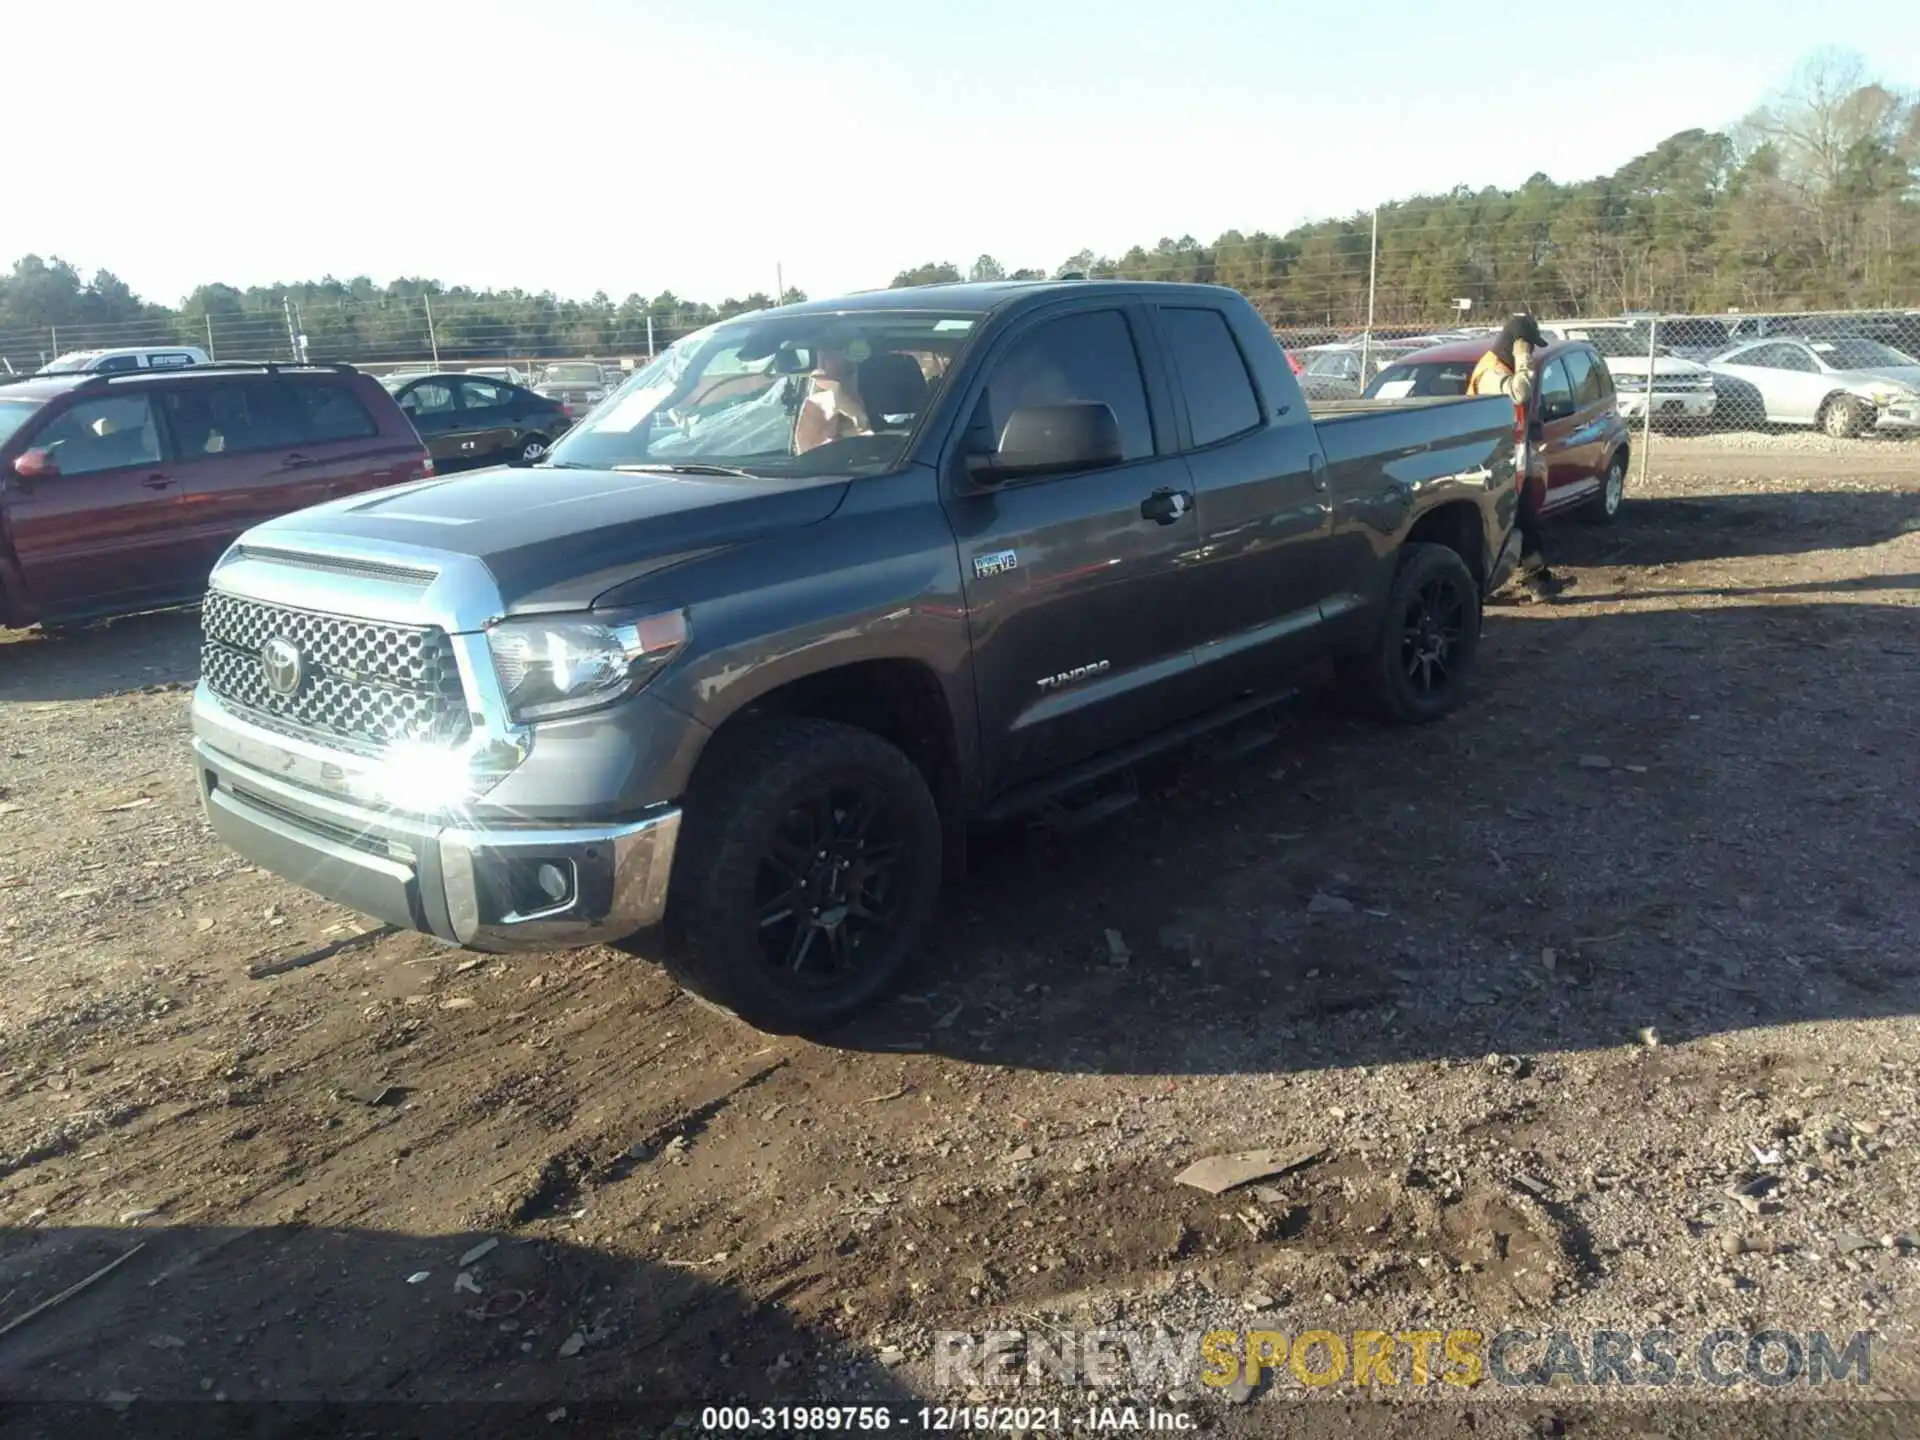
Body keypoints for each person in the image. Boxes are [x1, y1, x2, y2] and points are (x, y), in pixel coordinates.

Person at [1469, 313, 1567, 600]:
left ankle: (1538, 581)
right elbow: (1519, 393)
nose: (1532, 352)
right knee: (1501, 526)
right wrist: (1524, 360)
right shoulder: (1492, 371)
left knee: (1523, 519)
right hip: (1489, 465)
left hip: (1509, 462)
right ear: (1516, 344)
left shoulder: (1502, 368)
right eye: (1529, 346)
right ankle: (1481, 589)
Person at [793, 342, 872, 454]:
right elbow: (809, 458)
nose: (819, 363)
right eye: (815, 355)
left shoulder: (875, 398)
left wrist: (858, 417)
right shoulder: (816, 405)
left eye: (826, 353)